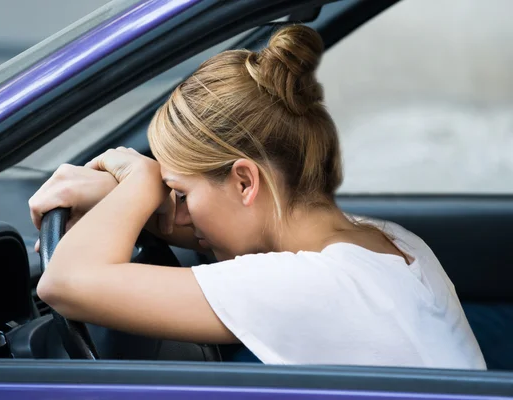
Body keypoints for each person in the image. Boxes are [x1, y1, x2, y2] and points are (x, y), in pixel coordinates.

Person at [29, 25, 486, 369]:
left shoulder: (307, 286)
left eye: (181, 193)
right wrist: (137, 200)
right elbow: (218, 231)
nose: (179, 214)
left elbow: (65, 284)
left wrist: (141, 183)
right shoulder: (390, 243)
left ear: (245, 182)